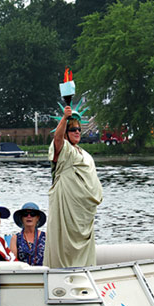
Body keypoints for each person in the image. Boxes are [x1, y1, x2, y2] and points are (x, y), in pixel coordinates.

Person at [46, 106, 103, 268]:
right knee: (64, 244)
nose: (77, 132)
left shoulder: (85, 154)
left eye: (79, 129)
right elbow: (57, 140)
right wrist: (64, 118)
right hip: (66, 208)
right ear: (65, 133)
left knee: (84, 251)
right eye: (72, 130)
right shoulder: (64, 151)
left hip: (85, 213)